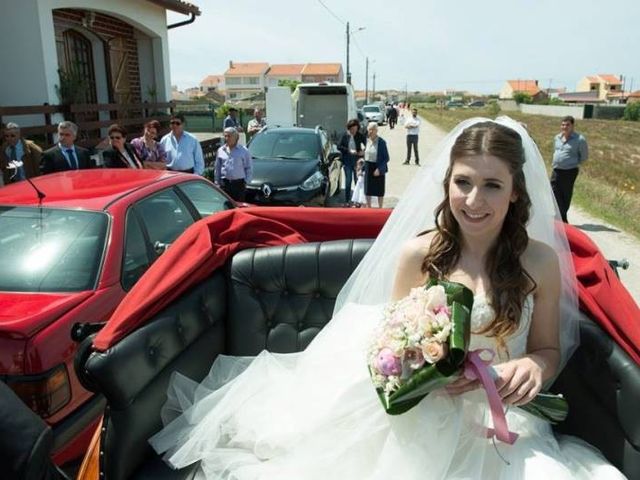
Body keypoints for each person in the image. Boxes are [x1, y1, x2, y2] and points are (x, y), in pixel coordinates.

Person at [150, 117, 625, 479]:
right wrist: (427, 375)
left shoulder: (539, 261)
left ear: (516, 193)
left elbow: (548, 349)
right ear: (447, 184)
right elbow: (387, 351)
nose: (474, 200)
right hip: (425, 413)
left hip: (507, 418)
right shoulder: (418, 255)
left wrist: (533, 368)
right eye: (463, 182)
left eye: (492, 185)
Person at [550, 116, 588, 223]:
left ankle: (562, 217)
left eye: (567, 125)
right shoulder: (557, 137)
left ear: (572, 126)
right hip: (556, 169)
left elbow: (584, 156)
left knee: (565, 194)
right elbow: (555, 151)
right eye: (563, 124)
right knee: (553, 192)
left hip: (569, 171)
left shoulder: (579, 139)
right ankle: (558, 215)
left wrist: (572, 163)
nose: (564, 127)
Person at [214, 127, 252, 201]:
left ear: (236, 137)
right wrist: (217, 182)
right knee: (226, 206)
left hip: (238, 185)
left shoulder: (243, 151)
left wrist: (246, 182)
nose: (227, 138)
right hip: (225, 184)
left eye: (229, 136)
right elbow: (217, 168)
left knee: (238, 207)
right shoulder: (221, 150)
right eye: (225, 136)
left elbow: (249, 167)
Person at [337, 118, 366, 204]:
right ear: (349, 128)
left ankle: (357, 200)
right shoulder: (344, 135)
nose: (354, 131)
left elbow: (367, 144)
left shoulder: (360, 135)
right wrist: (348, 150)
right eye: (352, 129)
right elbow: (339, 146)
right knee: (348, 180)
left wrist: (363, 151)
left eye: (356, 129)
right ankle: (347, 200)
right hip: (347, 161)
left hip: (357, 161)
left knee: (358, 180)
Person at [363, 122, 389, 208]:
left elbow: (386, 158)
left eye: (372, 129)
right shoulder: (367, 141)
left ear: (376, 131)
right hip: (368, 166)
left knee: (379, 190)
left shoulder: (381, 142)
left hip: (378, 166)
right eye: (369, 129)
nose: (370, 131)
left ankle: (380, 208)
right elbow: (365, 155)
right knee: (367, 189)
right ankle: (368, 207)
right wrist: (361, 168)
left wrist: (379, 169)